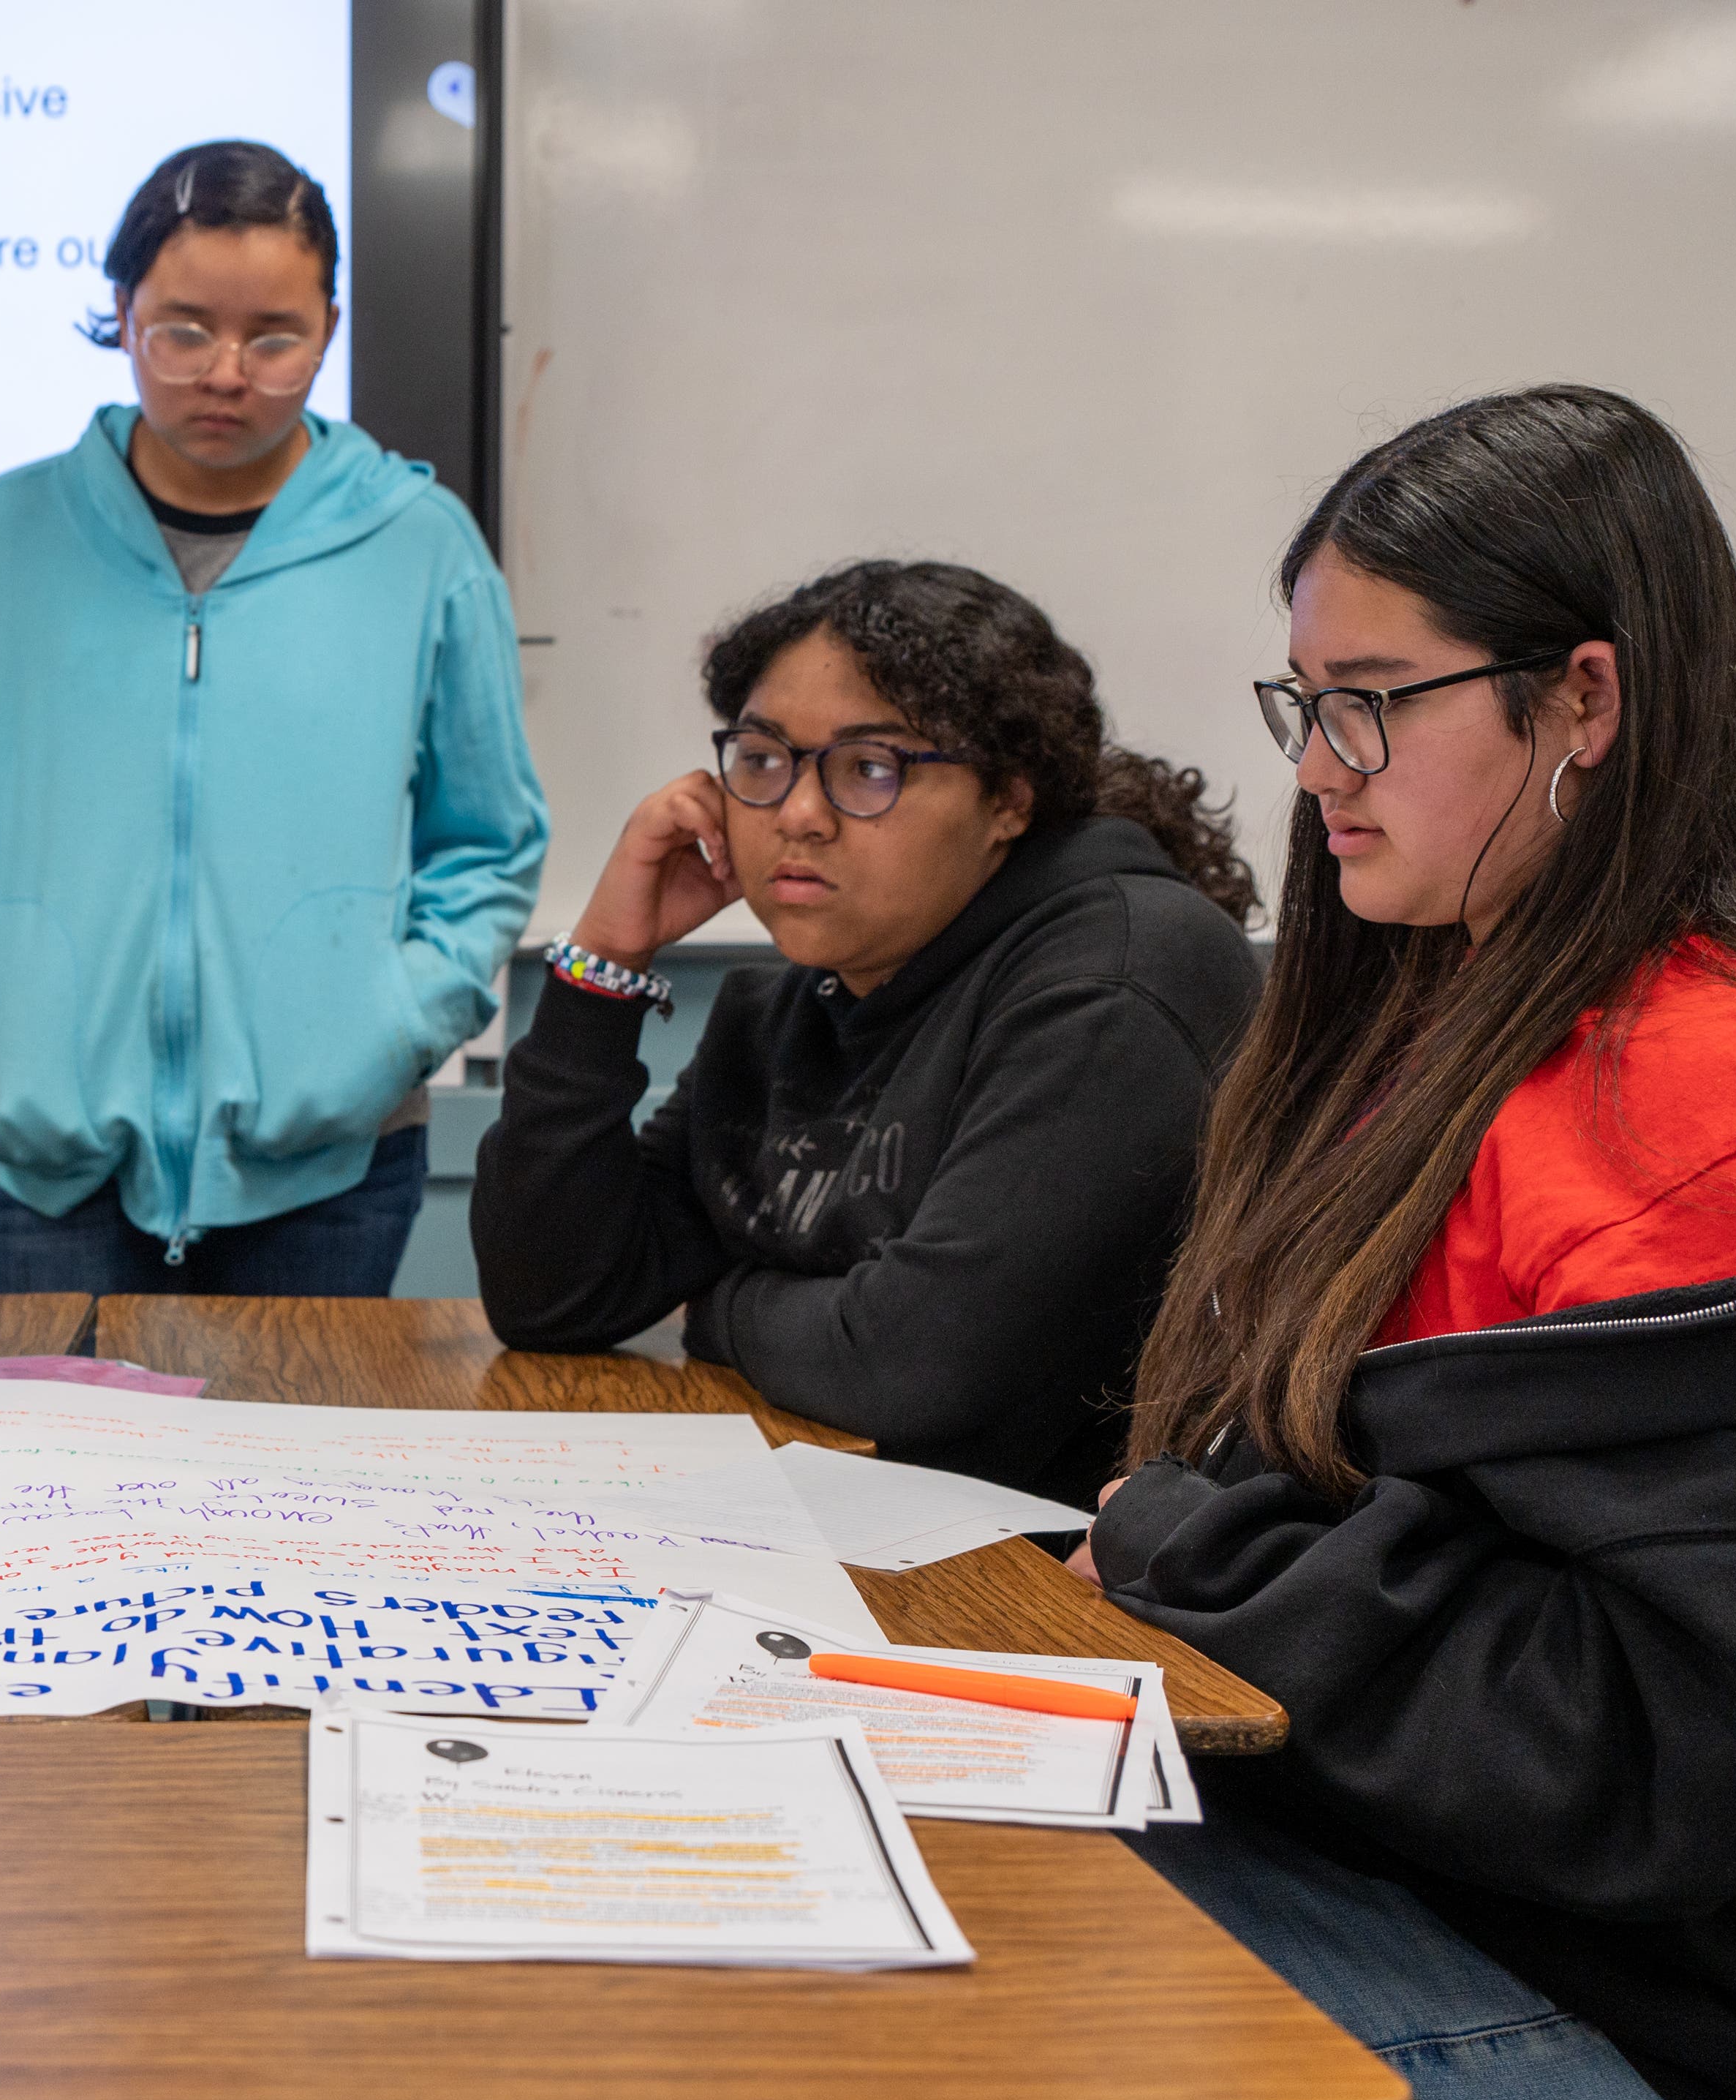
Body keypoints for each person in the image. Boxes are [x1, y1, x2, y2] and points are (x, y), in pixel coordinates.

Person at [385, 389, 1736, 2100]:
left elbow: (1683, 1738)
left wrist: (1186, 1547)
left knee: (751, 1907)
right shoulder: (1459, 1016)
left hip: (1636, 2060)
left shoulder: (1708, 1093)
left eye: (1376, 703)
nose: (1322, 769)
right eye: (1301, 698)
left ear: (1587, 697)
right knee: (712, 1812)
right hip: (1434, 1903)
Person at [0, 140, 546, 1297]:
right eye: (184, 329)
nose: (228, 373)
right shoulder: (2, 538)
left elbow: (489, 841)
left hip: (333, 1161)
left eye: (275, 336)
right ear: (124, 313)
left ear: (329, 326)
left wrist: (390, 1029)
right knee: (57, 1480)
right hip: (54, 1166)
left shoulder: (421, 546)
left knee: (298, 1479)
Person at [469, 561, 1261, 1507]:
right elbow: (554, 1297)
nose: (798, 815)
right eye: (762, 760)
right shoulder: (794, 1005)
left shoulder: (1120, 974)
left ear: (1009, 799)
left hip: (1059, 1600)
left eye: (870, 769)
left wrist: (719, 1302)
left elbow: (913, 1363)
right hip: (842, 1536)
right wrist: (603, 963)